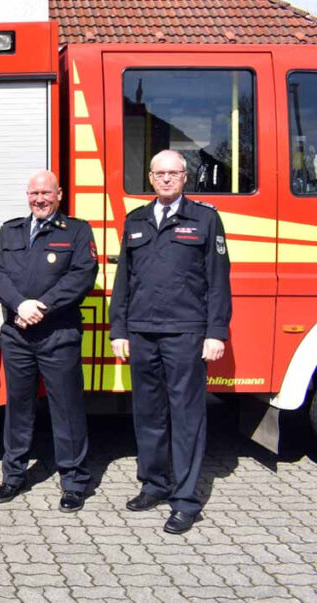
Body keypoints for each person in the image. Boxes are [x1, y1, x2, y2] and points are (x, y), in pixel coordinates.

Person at [110, 149, 231, 534]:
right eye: (159, 173)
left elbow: (218, 282)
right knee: (147, 414)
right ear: (150, 177)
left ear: (184, 177)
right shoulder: (136, 221)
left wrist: (216, 332)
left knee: (186, 417)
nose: (165, 179)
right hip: (143, 333)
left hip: (185, 333)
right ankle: (154, 483)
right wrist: (119, 331)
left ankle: (184, 499)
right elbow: (123, 283)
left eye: (173, 173)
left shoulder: (205, 219)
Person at [0, 170, 97, 512]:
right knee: (18, 408)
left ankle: (74, 482)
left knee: (66, 410)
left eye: (46, 193)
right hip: (17, 335)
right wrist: (20, 304)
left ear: (59, 194)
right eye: (34, 194)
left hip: (58, 334)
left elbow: (82, 276)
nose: (39, 199)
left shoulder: (77, 231)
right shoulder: (11, 230)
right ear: (27, 195)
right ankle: (13, 476)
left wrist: (42, 307)